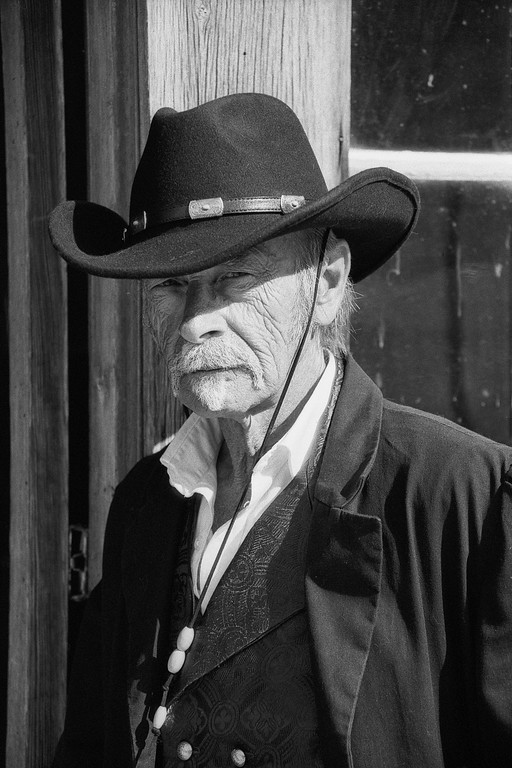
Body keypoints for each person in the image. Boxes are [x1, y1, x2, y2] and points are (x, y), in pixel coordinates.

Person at [49, 93, 512, 768]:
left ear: (327, 281)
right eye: (171, 285)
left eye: (234, 277)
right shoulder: (147, 500)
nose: (194, 320)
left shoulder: (462, 500)